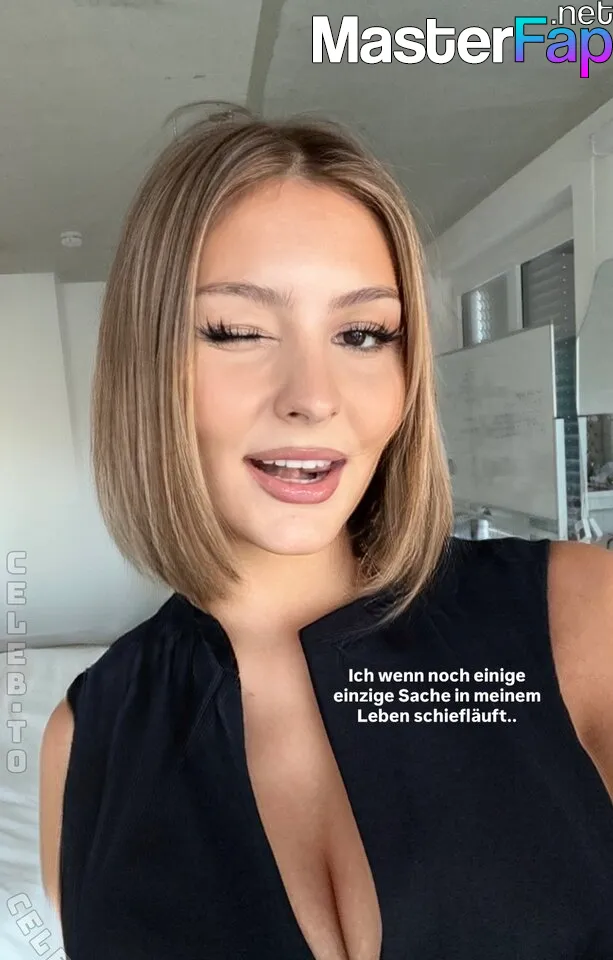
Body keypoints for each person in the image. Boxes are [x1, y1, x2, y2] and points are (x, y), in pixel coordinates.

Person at [39, 109, 613, 960]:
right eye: (238, 332)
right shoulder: (85, 740)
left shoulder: (582, 613)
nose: (312, 396)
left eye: (362, 334)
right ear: (145, 364)